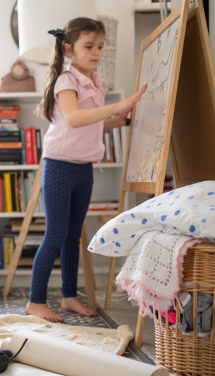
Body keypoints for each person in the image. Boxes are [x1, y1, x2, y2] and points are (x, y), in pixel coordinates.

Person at [27, 18, 147, 322]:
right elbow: (76, 118)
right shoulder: (67, 80)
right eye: (89, 46)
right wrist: (117, 106)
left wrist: (119, 120)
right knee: (55, 234)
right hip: (58, 166)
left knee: (72, 237)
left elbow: (91, 124)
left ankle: (69, 297)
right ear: (69, 48)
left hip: (83, 169)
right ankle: (35, 301)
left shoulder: (93, 80)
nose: (96, 52)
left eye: (100, 47)